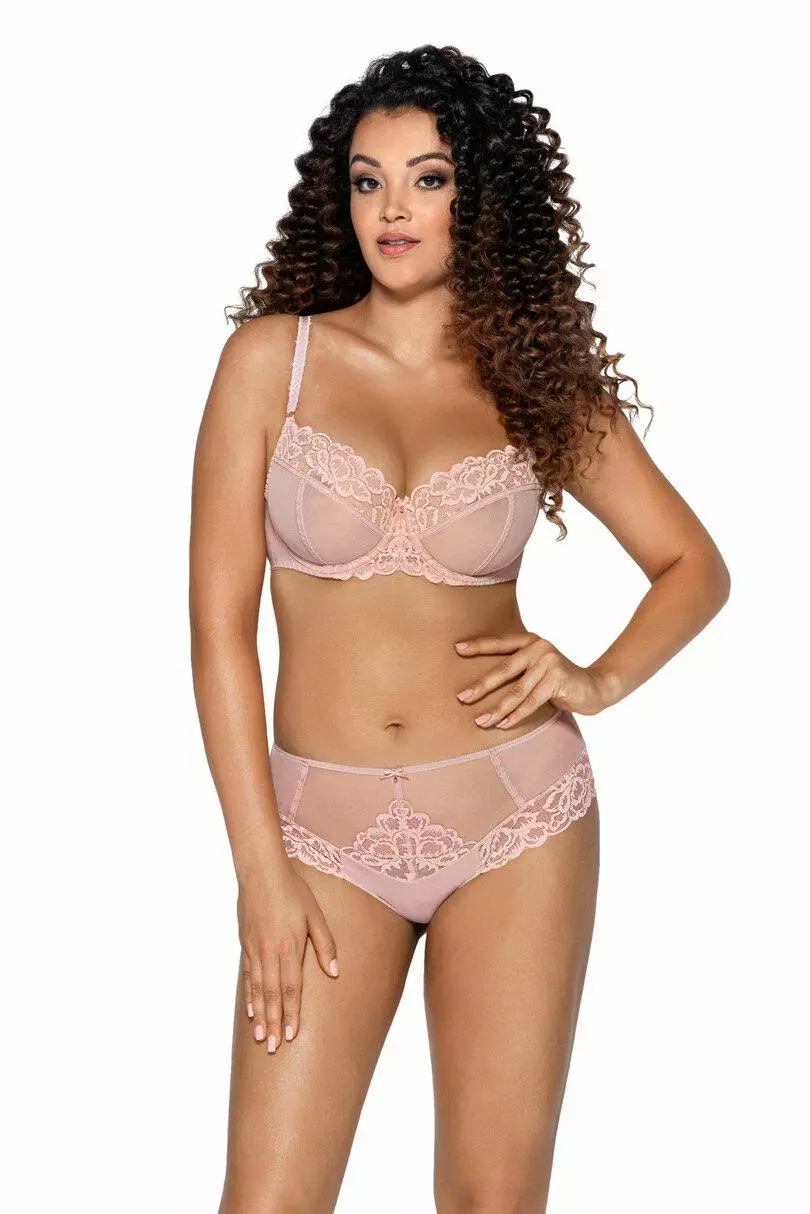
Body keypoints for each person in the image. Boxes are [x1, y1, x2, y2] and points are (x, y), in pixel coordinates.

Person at [189, 44, 730, 1214]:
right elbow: (219, 632)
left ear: (478, 200)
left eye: (427, 179)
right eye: (368, 179)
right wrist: (261, 874)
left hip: (515, 813)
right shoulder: (272, 363)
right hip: (318, 834)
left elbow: (693, 565)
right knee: (267, 1198)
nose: (393, 208)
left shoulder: (533, 380)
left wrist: (595, 678)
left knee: (492, 1199)